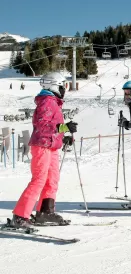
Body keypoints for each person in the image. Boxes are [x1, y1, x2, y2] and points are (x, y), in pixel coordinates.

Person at [11, 72, 78, 228]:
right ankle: (20, 216)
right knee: (39, 179)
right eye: (63, 86)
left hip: (51, 146)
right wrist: (64, 127)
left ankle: (45, 212)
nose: (64, 90)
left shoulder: (53, 102)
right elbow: (43, 125)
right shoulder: (47, 102)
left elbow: (53, 127)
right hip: (42, 145)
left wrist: (63, 136)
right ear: (54, 86)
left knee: (52, 179)